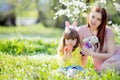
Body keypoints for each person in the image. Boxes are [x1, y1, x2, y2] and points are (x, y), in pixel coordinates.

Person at [77, 6, 120, 71]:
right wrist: (80, 69)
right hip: (100, 65)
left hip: (115, 57)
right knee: (104, 69)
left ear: (102, 21)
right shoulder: (81, 30)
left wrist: (93, 54)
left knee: (105, 68)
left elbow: (111, 53)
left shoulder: (108, 31)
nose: (94, 21)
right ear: (89, 15)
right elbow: (83, 53)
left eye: (98, 19)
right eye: (93, 17)